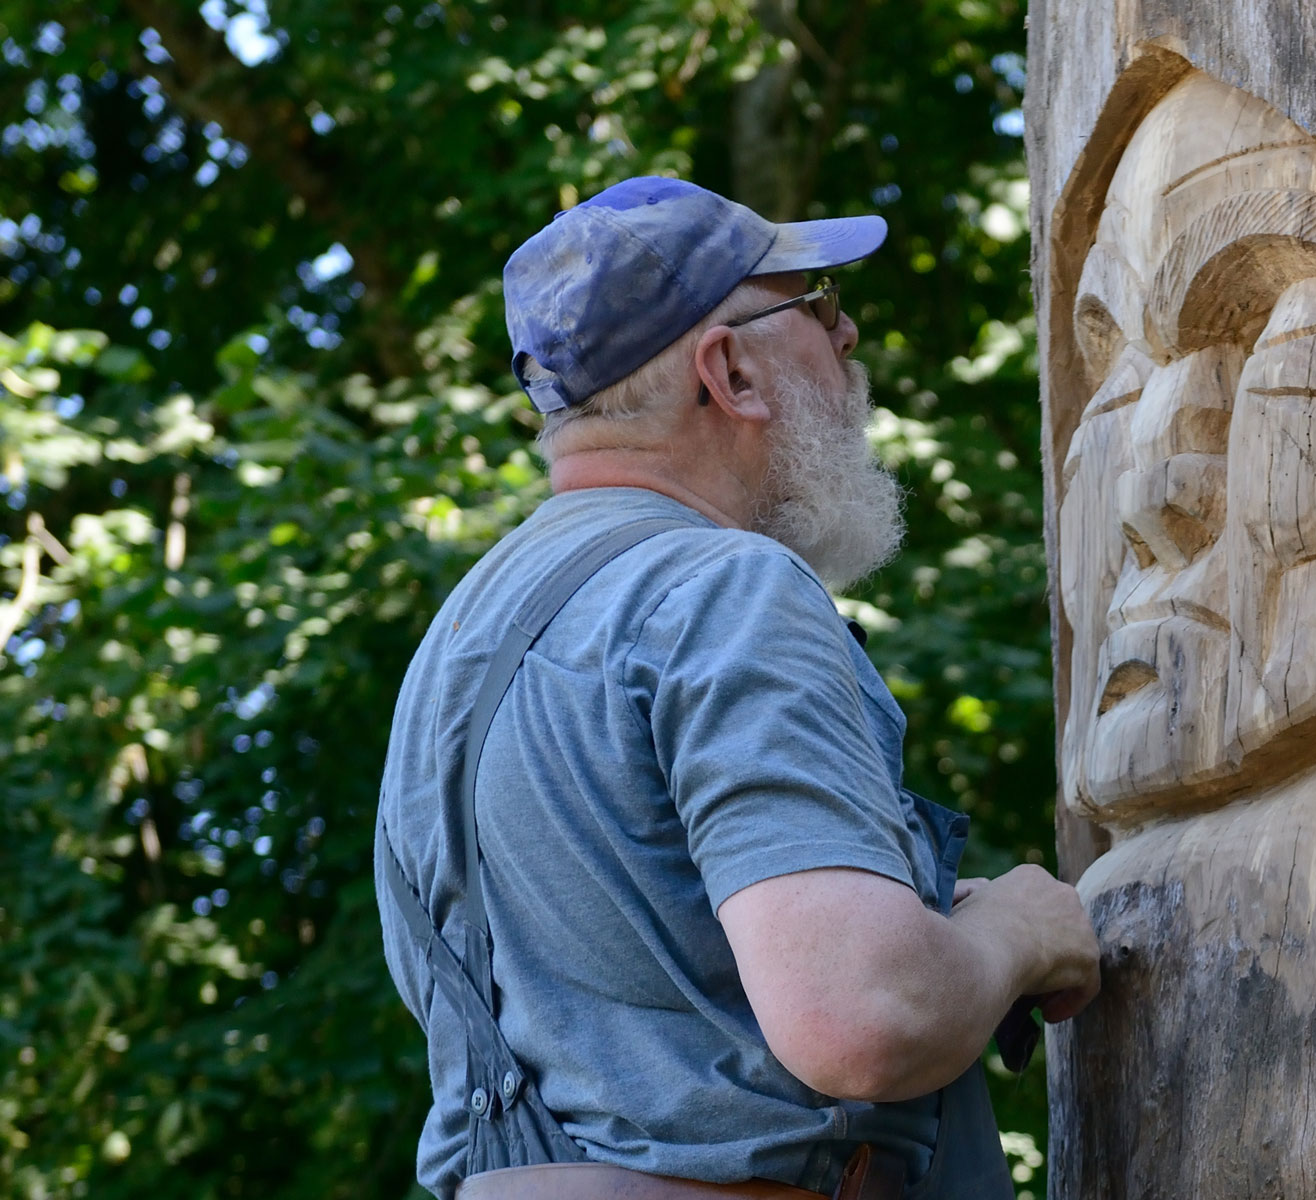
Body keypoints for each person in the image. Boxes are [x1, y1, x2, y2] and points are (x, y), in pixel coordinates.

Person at [373, 176, 1101, 1200]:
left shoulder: (459, 641)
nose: (846, 337)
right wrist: (1018, 931)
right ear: (731, 372)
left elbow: (649, 980)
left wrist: (930, 922)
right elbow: (861, 1018)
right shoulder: (721, 588)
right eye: (817, 305)